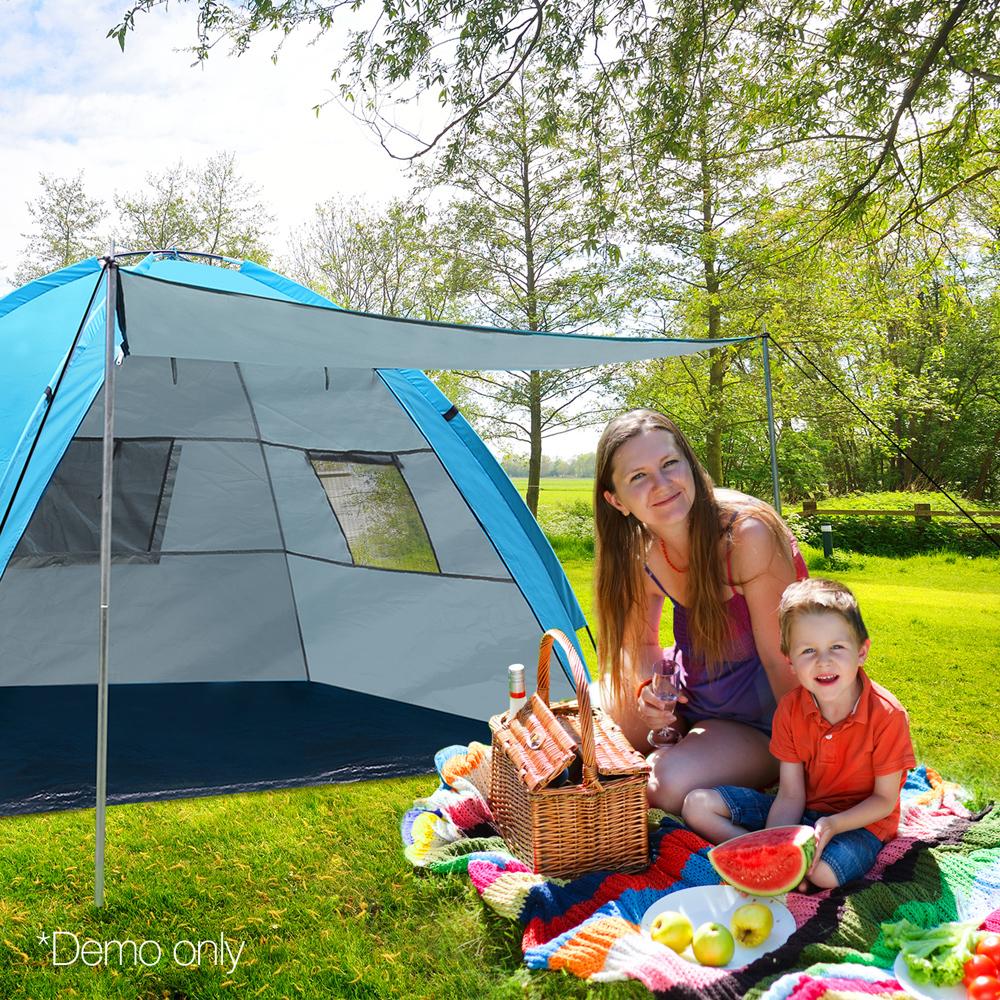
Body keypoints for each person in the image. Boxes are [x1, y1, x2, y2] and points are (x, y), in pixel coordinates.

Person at [593, 409, 808, 814]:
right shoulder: (642, 549)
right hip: (691, 697)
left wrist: (804, 773)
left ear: (690, 465)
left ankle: (721, 761)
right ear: (616, 500)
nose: (661, 484)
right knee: (580, 728)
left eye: (669, 464)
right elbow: (639, 644)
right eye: (638, 476)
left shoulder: (745, 535)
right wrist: (649, 697)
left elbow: (786, 666)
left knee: (664, 783)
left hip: (759, 720)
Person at [681, 578, 916, 889]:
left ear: (862, 652)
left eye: (837, 647)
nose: (824, 661)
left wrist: (833, 824)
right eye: (808, 651)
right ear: (790, 661)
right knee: (696, 805)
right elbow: (791, 794)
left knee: (821, 874)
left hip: (862, 824)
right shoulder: (791, 709)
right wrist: (777, 847)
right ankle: (754, 852)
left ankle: (791, 868)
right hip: (804, 810)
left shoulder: (887, 715)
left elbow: (884, 801)